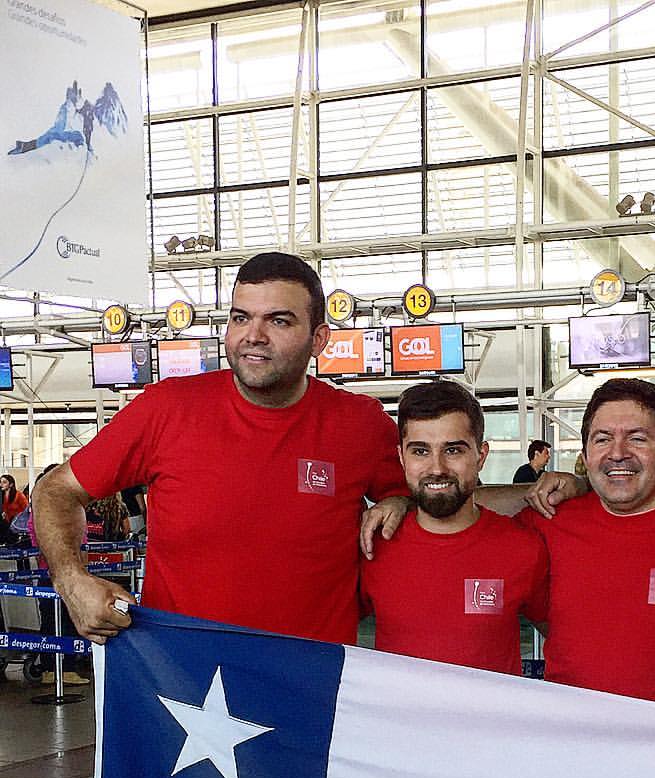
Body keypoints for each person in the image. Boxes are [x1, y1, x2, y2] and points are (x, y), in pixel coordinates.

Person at [33, 251, 407, 646]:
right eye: (240, 317)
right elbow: (56, 491)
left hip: (313, 684)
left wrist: (400, 501)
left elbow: (441, 507)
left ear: (319, 339)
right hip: (184, 684)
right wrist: (72, 580)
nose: (253, 335)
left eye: (278, 320)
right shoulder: (165, 410)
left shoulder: (360, 424)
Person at [519, 379, 655, 712]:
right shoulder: (548, 521)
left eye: (637, 438)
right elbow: (461, 513)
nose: (617, 453)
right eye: (602, 439)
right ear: (585, 456)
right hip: (573, 743)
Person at [359, 381, 547, 676]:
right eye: (420, 451)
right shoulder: (373, 544)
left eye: (453, 450)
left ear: (481, 456)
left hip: (490, 722)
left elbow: (569, 641)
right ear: (401, 458)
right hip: (396, 723)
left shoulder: (523, 547)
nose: (437, 468)